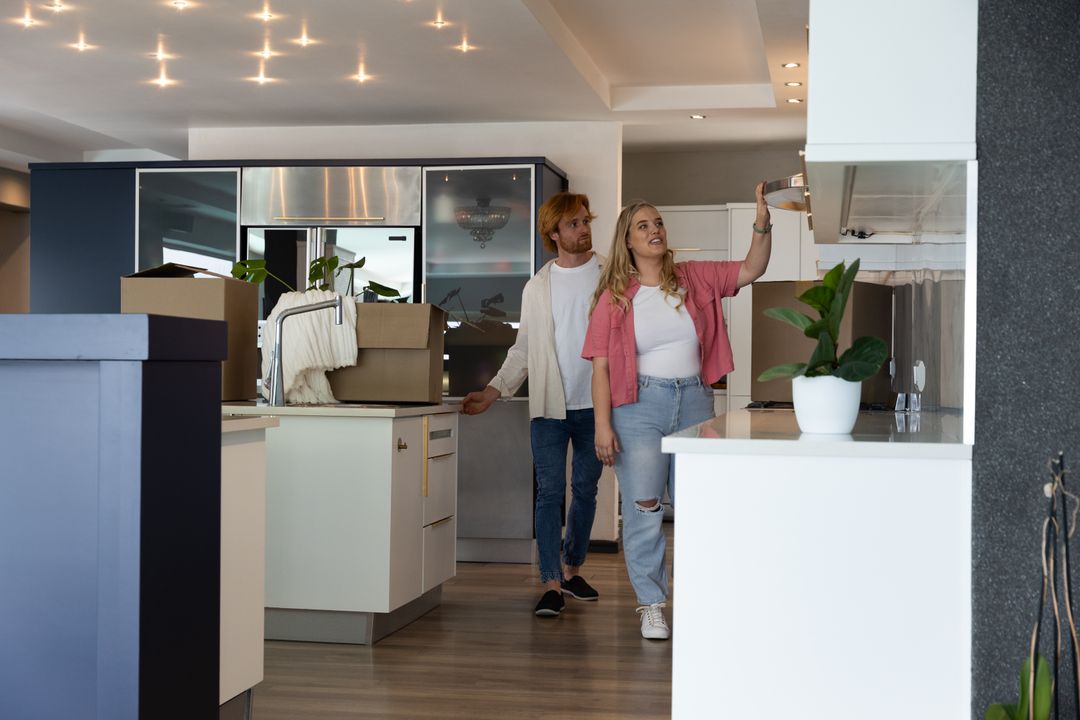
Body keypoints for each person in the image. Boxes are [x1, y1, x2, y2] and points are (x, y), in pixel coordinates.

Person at [582, 183, 772, 639]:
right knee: (645, 508)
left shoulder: (695, 277)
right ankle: (651, 605)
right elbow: (601, 369)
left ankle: (707, 597)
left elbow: (751, 268)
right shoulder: (613, 298)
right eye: (643, 225)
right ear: (627, 240)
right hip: (639, 408)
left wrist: (762, 221)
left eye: (658, 222)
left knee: (700, 504)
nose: (654, 230)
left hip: (694, 401)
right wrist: (602, 426)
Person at [461, 192, 605, 618]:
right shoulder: (537, 287)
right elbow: (522, 349)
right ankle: (551, 583)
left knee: (585, 490)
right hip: (548, 406)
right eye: (574, 224)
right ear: (554, 233)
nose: (583, 229)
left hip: (596, 404)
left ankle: (572, 567)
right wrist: (493, 391)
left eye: (585, 221)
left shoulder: (610, 275)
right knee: (548, 494)